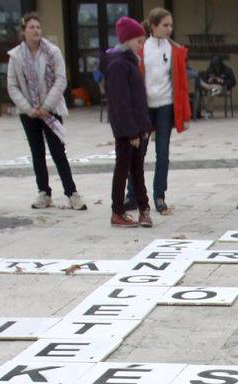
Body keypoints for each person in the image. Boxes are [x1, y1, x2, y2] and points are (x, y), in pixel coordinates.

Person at [7, 12, 87, 211]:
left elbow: (61, 80)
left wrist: (46, 107)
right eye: (31, 27)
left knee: (58, 151)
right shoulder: (15, 56)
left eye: (38, 27)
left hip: (50, 110)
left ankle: (72, 193)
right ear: (23, 31)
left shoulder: (52, 52)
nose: (36, 30)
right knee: (37, 152)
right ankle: (44, 192)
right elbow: (12, 85)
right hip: (29, 113)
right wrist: (29, 108)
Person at [139, 8, 191, 215]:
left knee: (163, 153)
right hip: (144, 107)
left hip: (165, 106)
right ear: (153, 26)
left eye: (171, 25)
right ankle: (133, 194)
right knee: (138, 152)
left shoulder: (175, 50)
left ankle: (159, 195)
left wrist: (185, 114)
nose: (169, 29)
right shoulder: (142, 48)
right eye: (165, 25)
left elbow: (182, 85)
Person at [104, 17, 153, 228]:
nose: (141, 46)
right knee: (123, 169)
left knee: (137, 169)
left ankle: (144, 208)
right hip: (126, 130)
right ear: (128, 40)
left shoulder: (131, 62)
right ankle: (117, 211)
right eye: (139, 41)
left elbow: (139, 99)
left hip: (136, 128)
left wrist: (143, 128)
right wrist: (132, 131)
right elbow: (121, 102)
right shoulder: (118, 65)